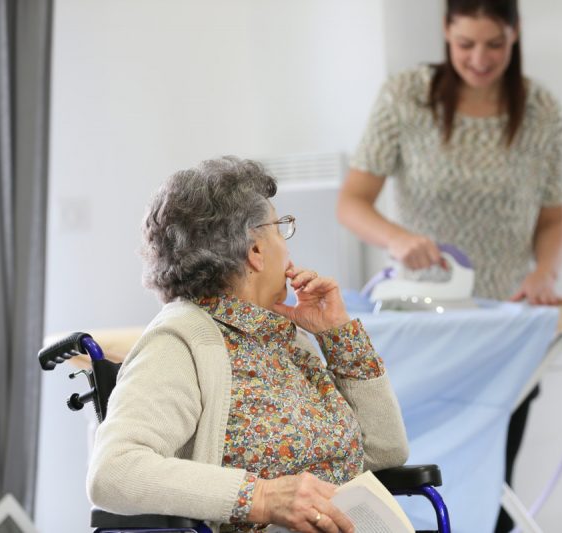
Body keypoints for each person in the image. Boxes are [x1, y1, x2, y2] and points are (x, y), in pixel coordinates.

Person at [336, 1, 562, 530]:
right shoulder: (406, 97)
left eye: (495, 44)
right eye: (465, 44)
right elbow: (351, 202)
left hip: (503, 333)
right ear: (445, 33)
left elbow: (553, 219)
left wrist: (544, 275)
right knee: (414, 483)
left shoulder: (540, 110)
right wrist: (398, 240)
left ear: (516, 35)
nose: (480, 58)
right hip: (427, 329)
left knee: (492, 487)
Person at [87, 156, 409, 533]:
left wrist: (337, 335)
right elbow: (114, 470)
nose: (287, 250)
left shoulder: (286, 341)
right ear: (254, 251)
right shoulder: (180, 342)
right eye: (280, 229)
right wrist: (261, 497)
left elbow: (386, 452)